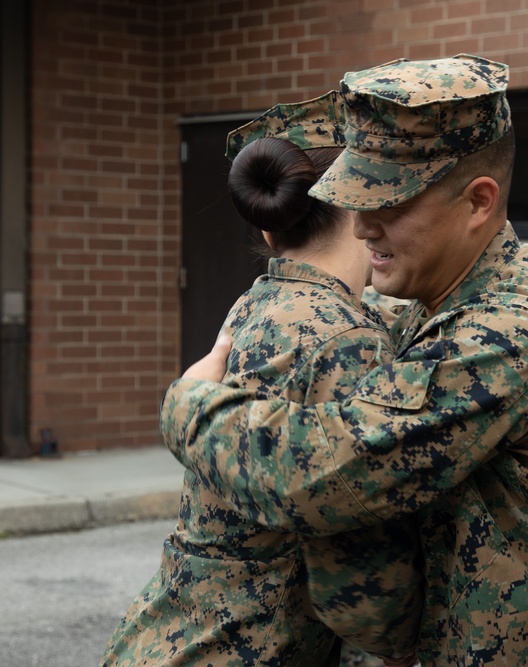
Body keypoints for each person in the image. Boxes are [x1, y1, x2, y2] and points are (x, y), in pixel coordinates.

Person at [162, 54, 528, 666]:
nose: (361, 228)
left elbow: (326, 475)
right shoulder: (433, 297)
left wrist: (190, 406)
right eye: (352, 199)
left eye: (388, 203)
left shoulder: (515, 330)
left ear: (478, 202)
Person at [103, 92, 421, 667]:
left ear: (272, 229)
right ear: (358, 206)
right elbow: (357, 576)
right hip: (253, 647)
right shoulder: (346, 338)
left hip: (167, 635)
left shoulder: (254, 305)